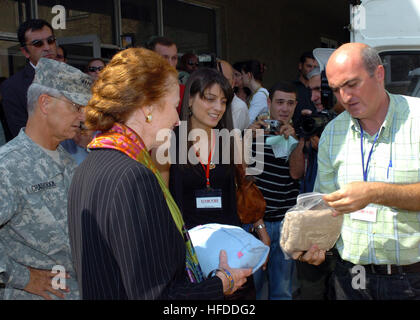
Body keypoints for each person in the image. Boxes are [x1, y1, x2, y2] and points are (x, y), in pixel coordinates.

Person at [67, 48, 251, 300]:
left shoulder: (88, 167)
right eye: (174, 106)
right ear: (148, 107)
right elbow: (158, 295)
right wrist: (220, 284)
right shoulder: (133, 178)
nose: (177, 119)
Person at [298, 43, 420, 300]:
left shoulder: (416, 120)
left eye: (352, 84)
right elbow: (325, 203)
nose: (345, 97)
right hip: (351, 278)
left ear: (379, 74)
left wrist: (374, 192)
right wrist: (315, 242)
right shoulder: (333, 132)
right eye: (336, 89)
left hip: (412, 278)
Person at [0, 58, 92, 300]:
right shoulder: (8, 166)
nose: (83, 117)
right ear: (45, 103)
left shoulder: (69, 162)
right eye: (76, 106)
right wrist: (22, 277)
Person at [168, 67, 260, 300]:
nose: (218, 108)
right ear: (189, 99)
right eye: (210, 99)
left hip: (230, 251)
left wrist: (259, 228)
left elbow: (244, 189)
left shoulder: (231, 142)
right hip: (188, 255)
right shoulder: (168, 143)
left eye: (223, 101)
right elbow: (163, 201)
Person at [246, 81, 301, 300]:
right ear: (269, 103)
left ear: (296, 105)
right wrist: (247, 137)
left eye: (290, 103)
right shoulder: (253, 132)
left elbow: (297, 174)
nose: (284, 108)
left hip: (285, 223)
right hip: (255, 225)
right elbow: (243, 178)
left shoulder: (295, 135)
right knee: (254, 291)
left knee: (283, 292)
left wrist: (296, 142)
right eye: (279, 102)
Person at [0, 19, 57, 139]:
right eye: (38, 43)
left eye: (50, 41)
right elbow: (21, 134)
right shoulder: (12, 87)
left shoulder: (73, 76)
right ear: (25, 52)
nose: (47, 47)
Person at [146, 36, 184, 114]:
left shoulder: (183, 92)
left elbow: (184, 121)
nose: (170, 63)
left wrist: (180, 126)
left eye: (174, 58)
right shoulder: (138, 90)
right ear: (150, 59)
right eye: (165, 58)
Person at [217, 59, 250, 131]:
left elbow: (231, 140)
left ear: (233, 83)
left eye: (224, 80)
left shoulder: (238, 107)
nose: (219, 84)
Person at [292, 51, 319, 130]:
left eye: (315, 67)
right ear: (300, 66)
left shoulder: (322, 90)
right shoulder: (291, 88)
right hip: (293, 133)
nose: (312, 70)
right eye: (309, 66)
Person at [240, 60, 269, 126]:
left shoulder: (260, 95)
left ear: (249, 75)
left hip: (260, 135)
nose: (241, 77)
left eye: (242, 74)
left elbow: (248, 121)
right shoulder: (256, 93)